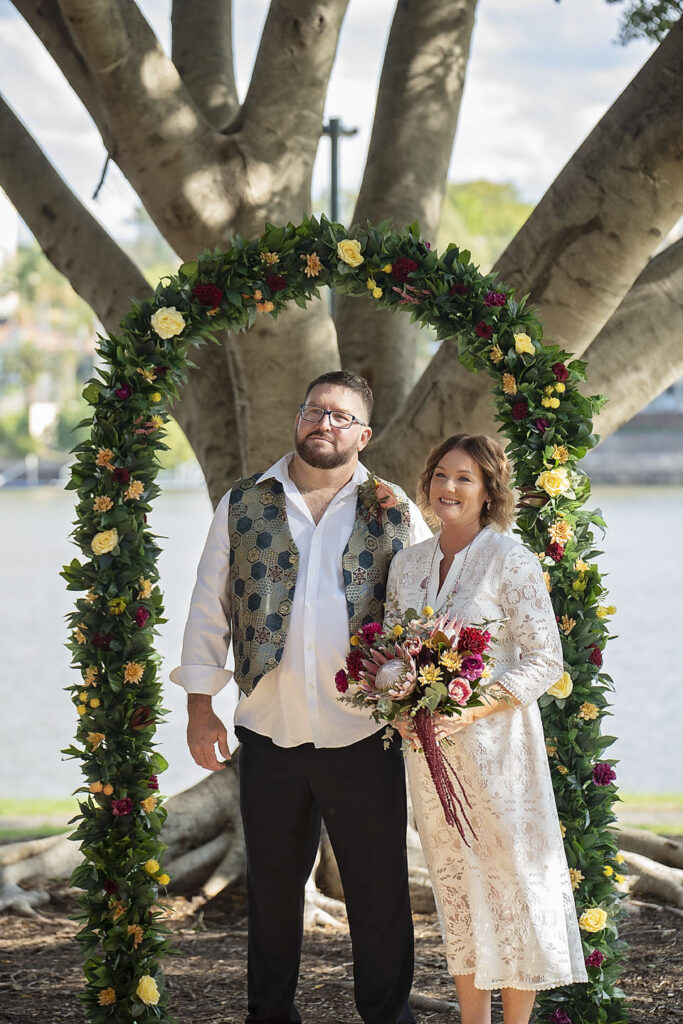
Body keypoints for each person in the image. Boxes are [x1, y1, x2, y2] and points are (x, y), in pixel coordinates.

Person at [170, 370, 432, 1024]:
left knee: (378, 895)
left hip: (363, 735)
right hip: (269, 733)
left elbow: (427, 614)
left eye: (341, 417)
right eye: (315, 411)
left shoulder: (393, 507)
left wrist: (418, 700)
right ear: (298, 417)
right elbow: (209, 607)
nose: (324, 424)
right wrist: (200, 705)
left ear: (362, 434)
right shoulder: (244, 501)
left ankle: (387, 1017)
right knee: (273, 895)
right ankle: (270, 1016)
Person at [384, 433, 587, 1024]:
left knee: (513, 892)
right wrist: (399, 697)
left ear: (488, 491)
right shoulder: (408, 563)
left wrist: (474, 707)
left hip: (501, 756)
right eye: (441, 474)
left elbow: (545, 658)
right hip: (431, 757)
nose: (449, 487)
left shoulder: (509, 559)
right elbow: (394, 650)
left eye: (464, 478)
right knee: (457, 892)